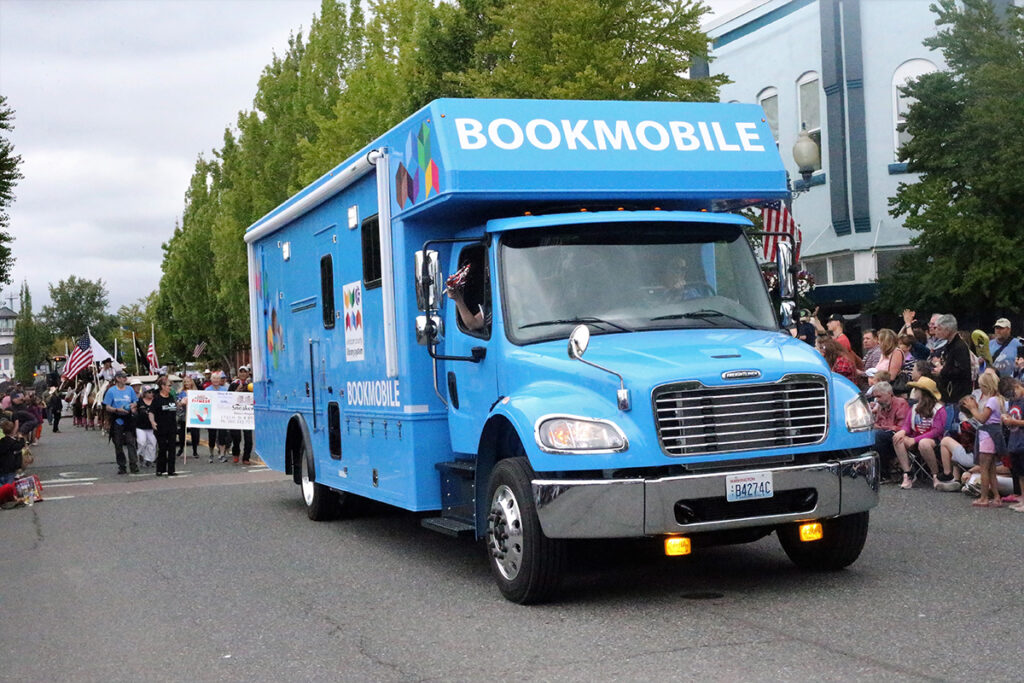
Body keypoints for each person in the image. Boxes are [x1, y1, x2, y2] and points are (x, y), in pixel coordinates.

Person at [960, 371, 1005, 507]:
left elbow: (982, 419)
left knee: (984, 468)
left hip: (987, 435)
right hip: (993, 433)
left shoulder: (991, 400)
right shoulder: (999, 399)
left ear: (986, 386)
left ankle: (984, 497)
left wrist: (973, 409)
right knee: (991, 469)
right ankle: (996, 496)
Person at [893, 377, 947, 490]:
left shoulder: (939, 409)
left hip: (933, 440)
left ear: (923, 392)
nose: (914, 391)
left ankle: (935, 475)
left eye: (917, 389)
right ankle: (908, 473)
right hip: (915, 437)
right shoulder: (914, 408)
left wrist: (915, 440)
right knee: (897, 438)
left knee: (924, 443)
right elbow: (907, 426)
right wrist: (902, 432)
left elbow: (937, 430)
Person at [870, 381, 909, 481]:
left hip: (898, 435)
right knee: (863, 434)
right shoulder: (881, 405)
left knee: (878, 436)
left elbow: (902, 427)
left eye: (879, 396)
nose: (877, 400)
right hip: (883, 433)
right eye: (876, 397)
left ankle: (883, 473)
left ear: (889, 394)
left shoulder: (901, 403)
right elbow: (878, 422)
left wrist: (881, 428)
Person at [103, 371, 139, 475]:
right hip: (117, 419)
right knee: (118, 443)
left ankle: (133, 464)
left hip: (128, 418)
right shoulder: (111, 391)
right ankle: (122, 465)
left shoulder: (130, 389)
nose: (125, 379)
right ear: (118, 378)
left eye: (125, 377)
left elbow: (135, 401)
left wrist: (133, 406)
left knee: (131, 442)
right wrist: (117, 410)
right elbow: (107, 406)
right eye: (123, 377)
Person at [931, 314, 972, 405]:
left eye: (939, 329)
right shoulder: (949, 345)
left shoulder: (959, 347)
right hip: (948, 392)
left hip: (957, 394)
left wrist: (942, 371)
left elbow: (962, 370)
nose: (936, 331)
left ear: (948, 330)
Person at [999, 377, 1024, 512]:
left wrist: (1014, 422)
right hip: (1015, 441)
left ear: (1017, 385)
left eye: (1012, 394)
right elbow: (1012, 415)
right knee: (1019, 473)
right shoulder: (1014, 401)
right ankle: (1022, 497)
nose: (1012, 397)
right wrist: (1006, 417)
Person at [150, 376, 178, 477]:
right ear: (162, 386)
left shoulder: (171, 397)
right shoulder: (157, 399)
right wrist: (153, 422)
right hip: (161, 427)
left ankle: (171, 470)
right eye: (169, 385)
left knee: (172, 448)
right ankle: (160, 469)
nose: (170, 387)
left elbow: (175, 407)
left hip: (172, 426)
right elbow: (151, 412)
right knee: (162, 448)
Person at [228, 365, 254, 465]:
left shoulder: (251, 384)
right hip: (236, 413)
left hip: (247, 414)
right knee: (236, 437)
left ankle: (246, 458)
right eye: (241, 372)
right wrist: (237, 391)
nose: (243, 374)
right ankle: (236, 453)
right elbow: (228, 398)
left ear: (248, 374)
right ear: (238, 374)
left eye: (245, 372)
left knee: (248, 438)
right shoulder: (234, 384)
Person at [205, 371, 231, 462]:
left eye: (217, 378)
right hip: (211, 416)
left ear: (220, 380)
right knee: (211, 436)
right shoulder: (207, 390)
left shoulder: (224, 389)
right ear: (211, 380)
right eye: (214, 378)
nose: (216, 380)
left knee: (222, 436)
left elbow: (229, 401)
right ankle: (211, 454)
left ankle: (222, 454)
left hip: (222, 415)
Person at [177, 376, 201, 459]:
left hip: (193, 415)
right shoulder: (181, 392)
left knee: (195, 434)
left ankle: (195, 451)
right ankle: (181, 448)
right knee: (182, 434)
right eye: (185, 382)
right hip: (184, 415)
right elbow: (178, 403)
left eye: (188, 381)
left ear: (191, 382)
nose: (187, 383)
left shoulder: (196, 392)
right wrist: (182, 402)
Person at [135, 386, 157, 468]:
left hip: (151, 427)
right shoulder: (139, 401)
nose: (151, 394)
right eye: (149, 392)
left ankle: (149, 460)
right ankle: (140, 455)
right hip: (141, 426)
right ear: (144, 393)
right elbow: (134, 410)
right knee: (142, 442)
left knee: (152, 443)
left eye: (152, 392)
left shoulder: (155, 401)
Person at [0, 420, 25, 486]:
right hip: (10, 468)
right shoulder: (13, 442)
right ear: (13, 430)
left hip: (1, 467)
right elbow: (20, 445)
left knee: (2, 486)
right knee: (9, 486)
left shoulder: (2, 441)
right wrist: (21, 438)